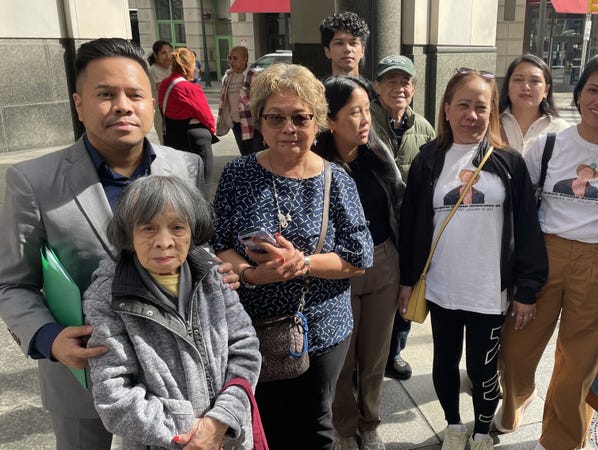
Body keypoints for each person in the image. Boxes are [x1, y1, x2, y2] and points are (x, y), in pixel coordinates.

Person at [0, 37, 232, 450]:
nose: (123, 106)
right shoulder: (33, 182)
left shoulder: (185, 166)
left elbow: (193, 248)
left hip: (175, 381)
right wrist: (48, 336)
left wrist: (215, 271)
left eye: (134, 94)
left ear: (151, 103)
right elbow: (11, 283)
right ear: (78, 104)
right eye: (105, 95)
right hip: (84, 373)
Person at [212, 63, 374, 450]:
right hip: (250, 327)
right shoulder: (237, 174)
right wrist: (252, 275)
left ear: (317, 123)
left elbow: (359, 255)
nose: (288, 128)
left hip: (319, 327)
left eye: (300, 117)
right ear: (261, 121)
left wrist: (301, 264)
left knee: (314, 424)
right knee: (262, 420)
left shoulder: (336, 179)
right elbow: (218, 244)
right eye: (276, 117)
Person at [496, 53, 598, 450]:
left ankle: (561, 441)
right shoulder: (547, 146)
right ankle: (517, 396)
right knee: (515, 349)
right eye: (593, 89)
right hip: (542, 256)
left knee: (578, 365)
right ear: (578, 93)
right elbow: (522, 214)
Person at [398, 67, 548, 450]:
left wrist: (527, 288)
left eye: (481, 107)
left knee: (483, 368)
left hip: (489, 291)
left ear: (492, 111)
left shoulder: (509, 162)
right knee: (444, 363)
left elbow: (529, 230)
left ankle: (482, 431)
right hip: (443, 288)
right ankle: (453, 425)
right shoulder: (428, 160)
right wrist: (407, 280)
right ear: (446, 110)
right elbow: (412, 222)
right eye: (462, 105)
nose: (472, 115)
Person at [84, 175, 261, 449]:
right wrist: (189, 435)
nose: (164, 241)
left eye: (177, 227)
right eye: (148, 228)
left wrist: (220, 421)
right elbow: (113, 396)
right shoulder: (108, 296)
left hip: (227, 438)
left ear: (193, 230)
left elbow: (245, 350)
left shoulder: (214, 274)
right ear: (128, 233)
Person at [315, 76, 404, 450]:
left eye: (368, 109)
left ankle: (370, 423)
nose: (365, 119)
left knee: (375, 356)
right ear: (330, 120)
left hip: (384, 262)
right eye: (354, 112)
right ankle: (344, 428)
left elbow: (399, 208)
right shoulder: (316, 166)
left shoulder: (378, 156)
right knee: (343, 358)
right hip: (340, 272)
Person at [369, 54, 436, 381]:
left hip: (410, 230)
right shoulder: (364, 121)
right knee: (374, 298)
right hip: (374, 228)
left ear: (413, 88)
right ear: (377, 86)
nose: (399, 87)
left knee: (406, 295)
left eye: (405, 81)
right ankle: (366, 357)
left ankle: (394, 353)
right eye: (390, 81)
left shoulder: (424, 127)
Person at [157, 47, 216, 191]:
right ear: (189, 66)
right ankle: (202, 212)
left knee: (181, 180)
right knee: (203, 180)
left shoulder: (165, 83)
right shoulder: (189, 88)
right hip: (195, 137)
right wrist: (212, 130)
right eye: (194, 64)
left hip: (173, 134)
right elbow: (206, 116)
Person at [498, 54, 569, 155]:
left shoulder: (562, 131)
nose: (526, 87)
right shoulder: (490, 125)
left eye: (535, 81)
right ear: (507, 88)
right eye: (518, 80)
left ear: (546, 90)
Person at [319, 11, 377, 100]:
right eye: (339, 43)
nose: (347, 49)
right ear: (327, 51)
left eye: (353, 43)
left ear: (362, 51)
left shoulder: (374, 93)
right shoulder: (318, 94)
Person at [218, 46, 259, 155]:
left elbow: (259, 100)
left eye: (235, 58)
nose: (231, 61)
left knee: (253, 155)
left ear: (244, 60)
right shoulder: (229, 77)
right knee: (244, 155)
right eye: (230, 58)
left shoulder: (253, 76)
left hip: (250, 123)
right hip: (235, 123)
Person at [147, 40, 173, 144]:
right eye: (163, 53)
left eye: (170, 52)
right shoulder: (154, 70)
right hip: (163, 116)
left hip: (175, 113)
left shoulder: (173, 68)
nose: (168, 56)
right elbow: (166, 89)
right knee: (169, 147)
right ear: (155, 55)